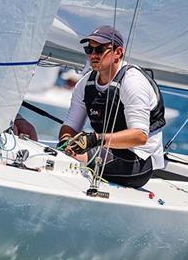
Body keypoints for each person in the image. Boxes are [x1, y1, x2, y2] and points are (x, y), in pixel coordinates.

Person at [58, 25, 166, 188]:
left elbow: (140, 137)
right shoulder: (85, 84)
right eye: (89, 49)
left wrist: (95, 139)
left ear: (118, 53)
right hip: (105, 150)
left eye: (100, 49)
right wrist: (66, 142)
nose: (93, 55)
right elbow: (71, 125)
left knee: (77, 158)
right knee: (62, 152)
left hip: (140, 160)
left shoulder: (132, 82)